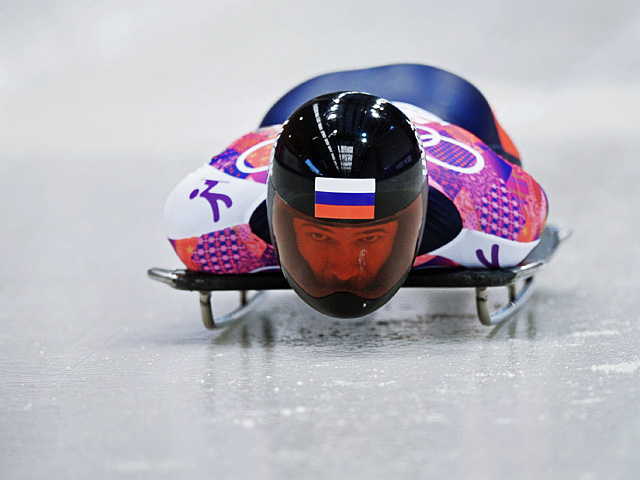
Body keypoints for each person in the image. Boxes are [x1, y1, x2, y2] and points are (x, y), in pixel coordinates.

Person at [164, 64, 548, 318]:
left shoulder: (496, 208)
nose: (345, 271)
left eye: (369, 237)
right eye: (320, 235)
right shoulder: (204, 223)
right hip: (303, 110)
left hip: (445, 102)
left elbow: (529, 197)